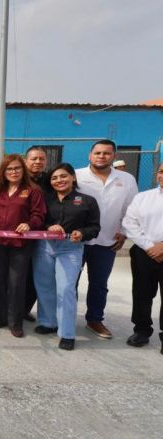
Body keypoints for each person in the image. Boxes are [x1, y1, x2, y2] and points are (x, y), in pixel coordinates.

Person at [76, 139, 138, 339]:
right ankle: (66, 317)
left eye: (107, 153)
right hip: (78, 240)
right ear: (90, 155)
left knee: (99, 284)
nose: (102, 156)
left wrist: (124, 232)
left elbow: (131, 210)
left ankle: (95, 319)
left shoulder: (127, 179)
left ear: (114, 156)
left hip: (108, 240)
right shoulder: (76, 176)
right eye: (98, 153)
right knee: (70, 282)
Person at [34, 163, 100, 350]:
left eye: (63, 176)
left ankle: (67, 333)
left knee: (66, 289)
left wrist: (81, 232)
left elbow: (95, 227)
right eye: (54, 178)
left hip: (71, 248)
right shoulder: (46, 199)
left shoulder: (87, 200)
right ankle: (48, 322)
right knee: (45, 286)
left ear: (73, 177)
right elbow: (39, 219)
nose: (59, 180)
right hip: (45, 246)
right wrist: (49, 227)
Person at [0, 154, 46, 338]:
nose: (13, 172)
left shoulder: (33, 190)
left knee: (16, 283)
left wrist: (30, 224)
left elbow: (39, 214)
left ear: (23, 170)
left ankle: (15, 322)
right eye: (9, 169)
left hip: (21, 244)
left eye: (17, 168)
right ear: (3, 172)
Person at [122, 162, 163, 352]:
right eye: (162, 171)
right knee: (142, 293)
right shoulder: (143, 197)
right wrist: (149, 247)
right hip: (144, 252)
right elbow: (130, 223)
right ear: (157, 175)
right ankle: (141, 330)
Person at [23, 146, 50, 321]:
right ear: (26, 161)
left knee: (36, 275)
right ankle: (11, 309)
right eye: (34, 158)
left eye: (41, 159)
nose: (38, 162)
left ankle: (25, 309)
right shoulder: (17, 178)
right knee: (18, 274)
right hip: (18, 234)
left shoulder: (50, 180)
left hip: (43, 234)